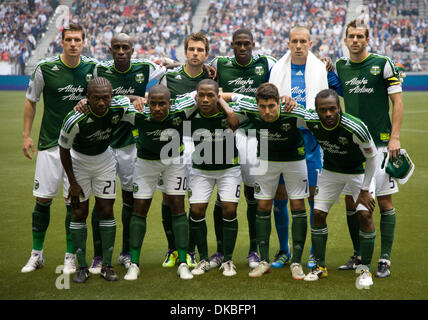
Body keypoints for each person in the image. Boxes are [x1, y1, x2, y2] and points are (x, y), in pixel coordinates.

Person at [123, 84, 236, 281]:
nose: (157, 109)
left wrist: (228, 108)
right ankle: (134, 264)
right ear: (148, 103)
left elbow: (210, 93)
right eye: (153, 104)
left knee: (178, 207)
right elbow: (113, 99)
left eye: (162, 104)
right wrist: (136, 98)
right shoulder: (138, 111)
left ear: (170, 103)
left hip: (174, 161)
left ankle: (183, 262)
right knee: (139, 208)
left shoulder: (182, 106)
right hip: (145, 163)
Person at [21, 23, 98, 274]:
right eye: (69, 40)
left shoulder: (93, 68)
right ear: (61, 42)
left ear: (84, 42)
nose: (73, 44)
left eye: (77, 39)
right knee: (42, 200)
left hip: (79, 147)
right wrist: (26, 136)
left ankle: (70, 256)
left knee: (73, 203)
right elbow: (31, 101)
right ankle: (36, 254)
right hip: (50, 144)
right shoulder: (45, 69)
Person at [85, 33, 166, 274]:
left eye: (125, 47)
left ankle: (126, 252)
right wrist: (130, 97)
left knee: (130, 200)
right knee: (101, 202)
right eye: (117, 47)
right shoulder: (99, 70)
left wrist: (170, 62)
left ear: (132, 50)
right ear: (110, 50)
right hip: (105, 144)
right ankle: (99, 255)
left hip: (132, 145)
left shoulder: (144, 68)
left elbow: (166, 68)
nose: (121, 51)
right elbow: (89, 96)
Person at [286, 88, 378, 289]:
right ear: (317, 110)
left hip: (359, 173)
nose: (328, 114)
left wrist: (364, 190)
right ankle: (319, 266)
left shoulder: (356, 127)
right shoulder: (311, 119)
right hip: (331, 171)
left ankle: (364, 269)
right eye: (323, 110)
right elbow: (284, 109)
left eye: (332, 109)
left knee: (365, 215)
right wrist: (287, 100)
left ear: (340, 108)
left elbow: (373, 158)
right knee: (318, 214)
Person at [335, 20, 404, 278]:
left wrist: (395, 137)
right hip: (352, 147)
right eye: (351, 36)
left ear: (367, 39)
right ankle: (358, 254)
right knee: (352, 201)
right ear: (345, 40)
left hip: (382, 143)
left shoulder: (382, 63)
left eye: (360, 36)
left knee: (384, 200)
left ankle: (384, 258)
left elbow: (397, 102)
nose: (355, 40)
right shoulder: (341, 66)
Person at [269, 26, 342, 269]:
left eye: (303, 41)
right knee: (280, 197)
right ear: (288, 43)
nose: (298, 45)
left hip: (311, 139)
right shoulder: (276, 69)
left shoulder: (320, 68)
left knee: (313, 197)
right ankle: (284, 249)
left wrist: (331, 68)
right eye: (294, 41)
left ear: (310, 43)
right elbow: (265, 100)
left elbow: (339, 93)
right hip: (284, 136)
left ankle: (313, 252)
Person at [222, 83, 309, 279]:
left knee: (297, 206)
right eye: (263, 106)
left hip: (294, 160)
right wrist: (229, 111)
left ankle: (296, 263)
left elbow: (319, 122)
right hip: (266, 160)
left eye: (272, 106)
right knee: (262, 206)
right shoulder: (250, 106)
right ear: (257, 104)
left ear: (279, 102)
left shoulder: (293, 111)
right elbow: (223, 95)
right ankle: (264, 261)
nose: (267, 111)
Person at [209, 28, 277, 270]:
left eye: (247, 43)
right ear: (232, 45)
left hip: (256, 137)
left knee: (253, 196)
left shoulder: (266, 63)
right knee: (223, 195)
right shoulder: (219, 63)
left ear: (253, 44)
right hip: (226, 134)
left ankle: (253, 251)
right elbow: (209, 89)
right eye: (238, 44)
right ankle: (219, 251)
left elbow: (285, 74)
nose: (242, 48)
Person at [59, 77, 134, 283]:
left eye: (106, 98)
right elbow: (63, 150)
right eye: (96, 98)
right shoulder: (74, 118)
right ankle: (82, 266)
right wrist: (73, 183)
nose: (101, 103)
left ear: (112, 97)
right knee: (79, 212)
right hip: (78, 163)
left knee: (106, 210)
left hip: (104, 161)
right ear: (87, 98)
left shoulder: (118, 107)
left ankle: (107, 265)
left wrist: (138, 100)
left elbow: (133, 105)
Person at [158, 32, 211, 269]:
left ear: (206, 54)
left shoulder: (211, 78)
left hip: (203, 144)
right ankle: (172, 249)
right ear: (185, 51)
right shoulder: (170, 78)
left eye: (200, 50)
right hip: (174, 143)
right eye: (192, 49)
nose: (196, 53)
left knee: (196, 200)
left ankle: (191, 250)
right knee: (170, 198)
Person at [185, 79, 241, 277]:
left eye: (211, 96)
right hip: (201, 169)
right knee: (197, 210)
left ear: (218, 97)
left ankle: (227, 260)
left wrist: (229, 110)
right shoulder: (189, 113)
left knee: (229, 208)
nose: (206, 99)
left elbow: (248, 103)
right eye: (202, 95)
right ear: (196, 96)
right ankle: (203, 258)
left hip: (229, 169)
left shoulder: (231, 114)